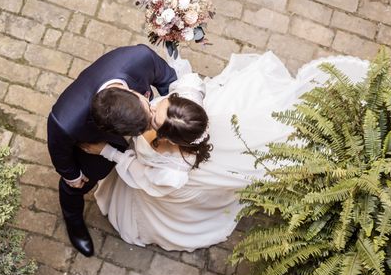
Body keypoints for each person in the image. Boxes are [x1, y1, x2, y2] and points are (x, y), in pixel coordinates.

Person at [82, 51, 370, 251]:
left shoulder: (169, 169)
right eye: (160, 106)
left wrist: (108, 152)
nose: (155, 104)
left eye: (156, 113)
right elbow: (190, 81)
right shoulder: (186, 107)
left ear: (168, 138)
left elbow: (140, 175)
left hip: (178, 178)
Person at [47, 44, 177, 257]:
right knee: (75, 187)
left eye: (148, 105)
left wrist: (169, 120)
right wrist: (73, 176)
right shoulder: (65, 122)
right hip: (93, 148)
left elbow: (169, 81)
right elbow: (58, 149)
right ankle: (73, 221)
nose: (153, 110)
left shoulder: (140, 58)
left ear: (133, 93)